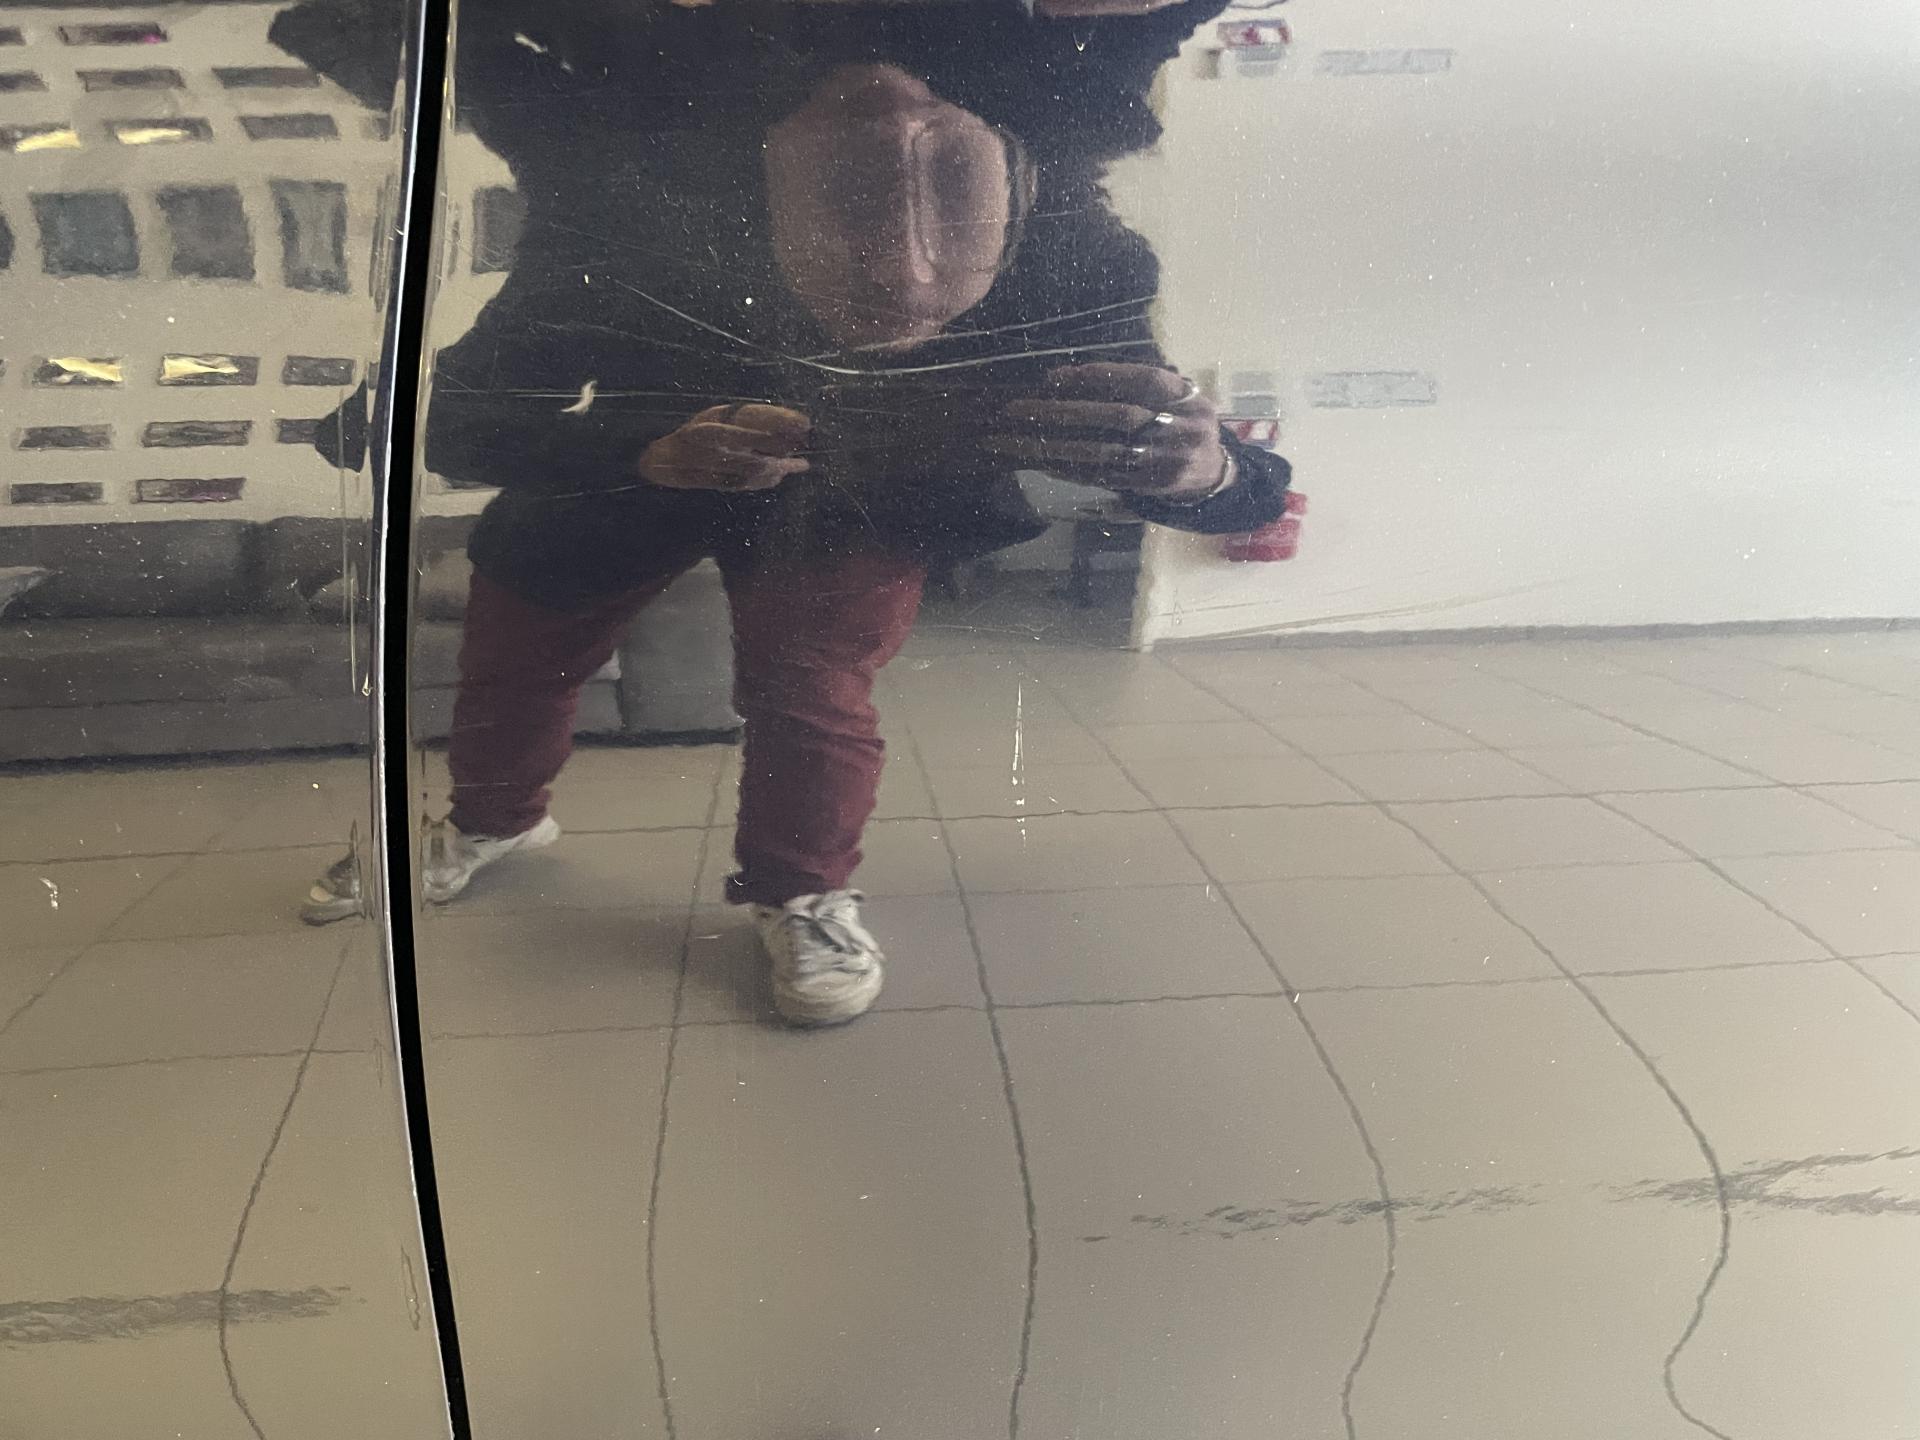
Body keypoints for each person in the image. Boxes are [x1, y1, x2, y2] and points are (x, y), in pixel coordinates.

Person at [296, 0, 1294, 1025]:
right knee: (518, 647)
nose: (904, 264)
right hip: (629, 477)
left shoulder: (1073, 259)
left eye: (949, 197)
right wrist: (643, 452)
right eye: (855, 204)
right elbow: (435, 426)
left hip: (859, 489)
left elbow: (1236, 481)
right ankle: (491, 819)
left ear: (1016, 191)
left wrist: (1203, 470)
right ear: (765, 194)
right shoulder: (629, 232)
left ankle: (802, 889)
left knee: (813, 689)